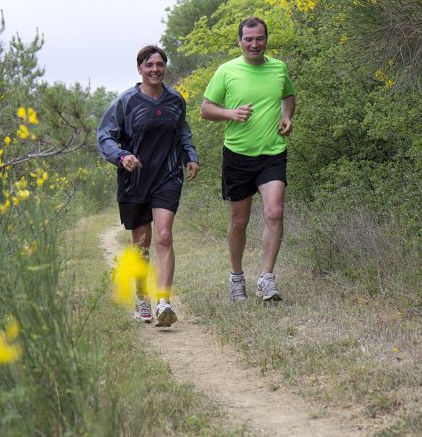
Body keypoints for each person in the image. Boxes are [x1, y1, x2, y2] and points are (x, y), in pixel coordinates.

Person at [97, 45, 199, 326]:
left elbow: (182, 131)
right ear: (140, 69)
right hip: (135, 179)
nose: (155, 69)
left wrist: (190, 156)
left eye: (159, 64)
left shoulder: (176, 100)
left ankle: (163, 302)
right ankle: (142, 300)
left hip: (167, 176)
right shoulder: (125, 102)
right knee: (141, 245)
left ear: (165, 67)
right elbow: (105, 136)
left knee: (164, 236)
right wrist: (121, 156)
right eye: (149, 65)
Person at [200, 17, 296, 303]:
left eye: (260, 38)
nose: (255, 44)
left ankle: (266, 279)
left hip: (272, 153)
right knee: (239, 221)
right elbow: (205, 109)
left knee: (274, 212)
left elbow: (288, 95)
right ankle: (236, 277)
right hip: (237, 155)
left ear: (266, 39)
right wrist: (231, 114)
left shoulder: (278, 68)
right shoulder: (226, 71)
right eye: (249, 39)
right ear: (240, 42)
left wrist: (287, 116)